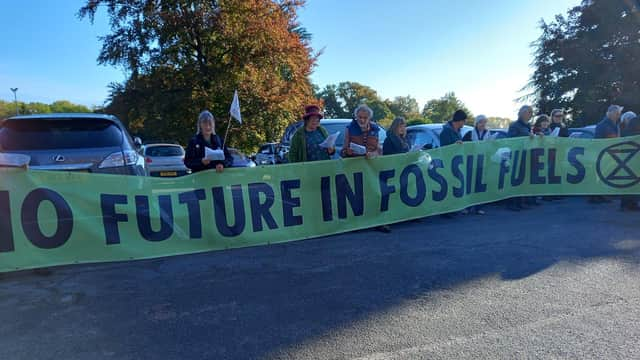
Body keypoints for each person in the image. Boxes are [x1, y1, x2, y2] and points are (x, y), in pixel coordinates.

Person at [342, 104, 389, 233]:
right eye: (359, 117)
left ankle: (379, 222)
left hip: (372, 168)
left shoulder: (376, 129)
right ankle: (357, 224)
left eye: (365, 117)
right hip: (355, 168)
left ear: (369, 118)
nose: (362, 120)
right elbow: (343, 150)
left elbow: (379, 149)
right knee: (357, 196)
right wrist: (349, 152)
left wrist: (375, 154)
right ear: (356, 117)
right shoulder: (349, 129)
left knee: (376, 194)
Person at [506, 105, 538, 211]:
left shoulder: (528, 125)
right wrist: (526, 136)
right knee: (515, 180)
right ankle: (512, 203)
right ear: (522, 113)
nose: (530, 115)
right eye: (528, 113)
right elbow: (510, 139)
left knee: (523, 180)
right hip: (516, 155)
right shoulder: (514, 125)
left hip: (526, 155)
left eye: (530, 113)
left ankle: (521, 202)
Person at [590, 105, 623, 204]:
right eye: (616, 114)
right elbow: (597, 141)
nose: (618, 116)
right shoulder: (602, 125)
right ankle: (594, 197)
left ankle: (601, 195)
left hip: (611, 154)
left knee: (605, 176)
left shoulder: (615, 124)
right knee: (599, 176)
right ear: (609, 113)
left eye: (619, 114)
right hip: (603, 154)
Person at [462, 115, 491, 215]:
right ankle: (467, 207)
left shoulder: (488, 133)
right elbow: (463, 146)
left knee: (480, 185)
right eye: (480, 122)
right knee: (470, 185)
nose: (482, 124)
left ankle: (478, 207)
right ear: (476, 123)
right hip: (471, 162)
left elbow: (491, 147)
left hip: (483, 162)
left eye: (484, 122)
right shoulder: (469, 133)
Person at [619, 114, 640, 211]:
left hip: (628, 158)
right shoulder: (635, 125)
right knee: (632, 182)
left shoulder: (626, 129)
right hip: (632, 158)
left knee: (629, 182)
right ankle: (630, 204)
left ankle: (627, 204)